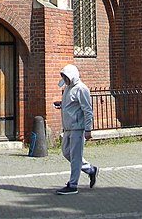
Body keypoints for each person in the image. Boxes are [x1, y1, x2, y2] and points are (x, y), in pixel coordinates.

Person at [55, 64, 98, 195]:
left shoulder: (81, 89)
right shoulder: (68, 88)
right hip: (68, 128)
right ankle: (90, 169)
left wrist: (88, 129)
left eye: (66, 77)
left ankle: (73, 184)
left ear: (72, 76)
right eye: (63, 77)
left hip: (77, 129)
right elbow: (71, 104)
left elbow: (87, 110)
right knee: (66, 153)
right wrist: (61, 105)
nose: (64, 80)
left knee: (75, 157)